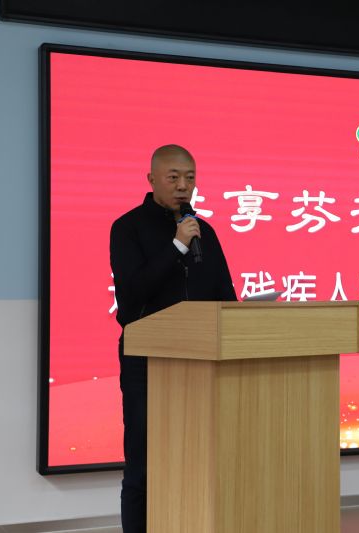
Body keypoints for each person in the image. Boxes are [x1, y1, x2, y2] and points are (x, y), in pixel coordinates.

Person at [109, 145, 237, 533]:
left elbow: (225, 295)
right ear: (152, 180)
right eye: (174, 177)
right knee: (143, 465)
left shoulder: (204, 232)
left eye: (190, 178)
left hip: (199, 362)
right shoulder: (127, 228)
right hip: (146, 362)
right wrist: (177, 246)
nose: (183, 186)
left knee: (198, 460)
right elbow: (133, 294)